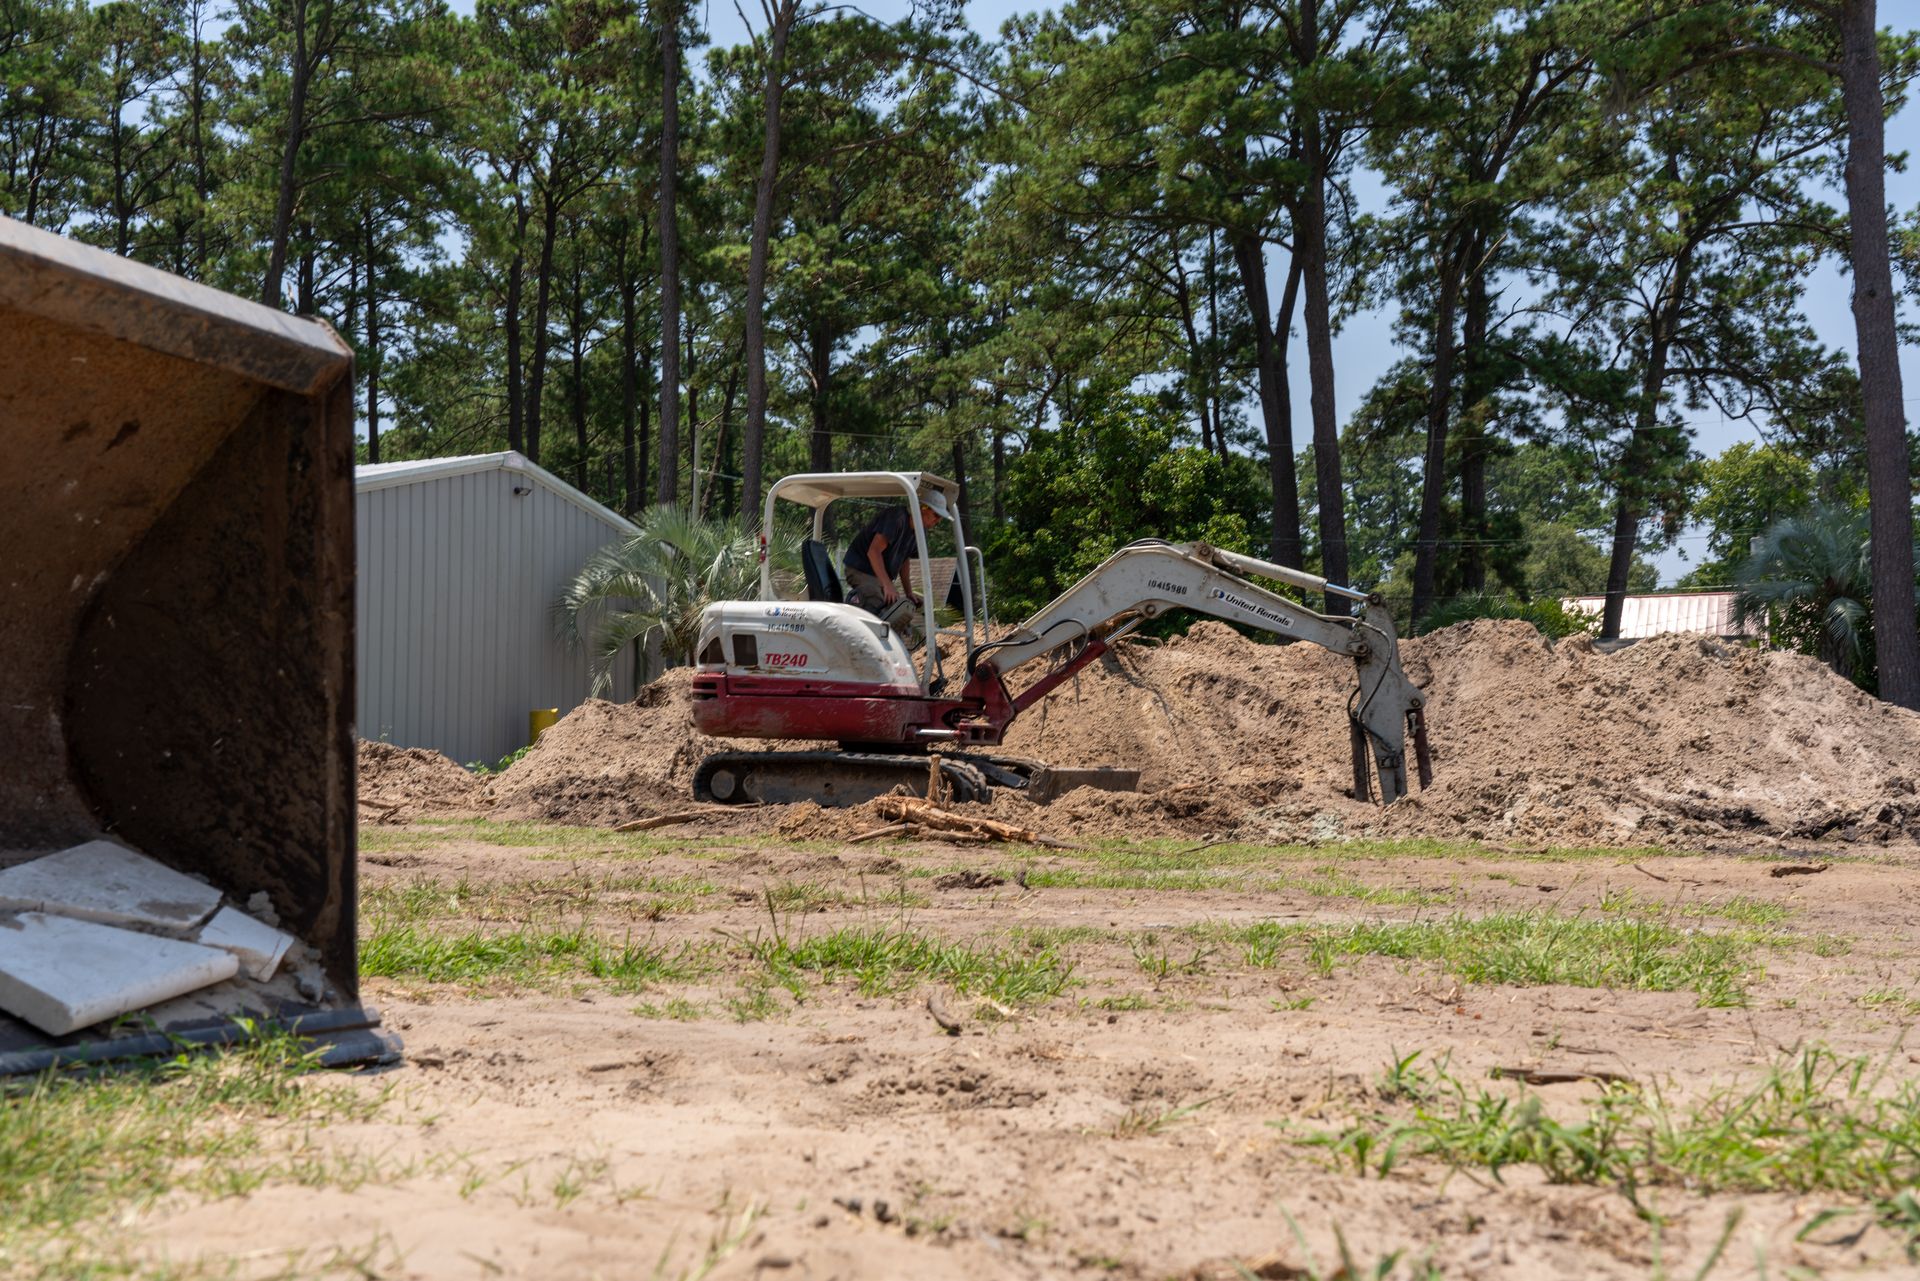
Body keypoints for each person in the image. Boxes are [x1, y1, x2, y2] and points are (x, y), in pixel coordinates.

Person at [843, 490, 948, 638]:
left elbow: (904, 560)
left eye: (940, 518)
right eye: (936, 515)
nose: (937, 521)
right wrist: (887, 584)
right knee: (876, 601)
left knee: (899, 610)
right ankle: (864, 647)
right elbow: (873, 552)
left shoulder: (919, 531)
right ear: (922, 508)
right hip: (860, 569)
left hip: (878, 575)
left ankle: (893, 652)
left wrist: (909, 592)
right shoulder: (896, 518)